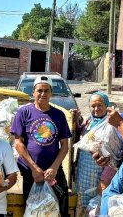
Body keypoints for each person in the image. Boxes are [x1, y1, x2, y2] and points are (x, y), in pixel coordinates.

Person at [11, 75, 72, 217]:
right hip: (30, 171)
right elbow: (18, 143)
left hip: (54, 171)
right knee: (34, 209)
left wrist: (54, 168)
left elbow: (64, 146)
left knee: (58, 207)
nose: (43, 94)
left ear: (51, 93)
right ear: (33, 92)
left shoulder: (59, 114)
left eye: (46, 90)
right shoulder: (23, 112)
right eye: (39, 90)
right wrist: (34, 169)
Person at [73, 91, 115, 216]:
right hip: (83, 173)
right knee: (83, 204)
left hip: (100, 175)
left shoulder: (110, 125)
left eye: (100, 105)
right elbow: (81, 140)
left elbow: (114, 155)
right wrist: (76, 121)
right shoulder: (88, 122)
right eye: (93, 106)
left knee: (96, 208)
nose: (96, 109)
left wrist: (105, 180)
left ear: (106, 105)